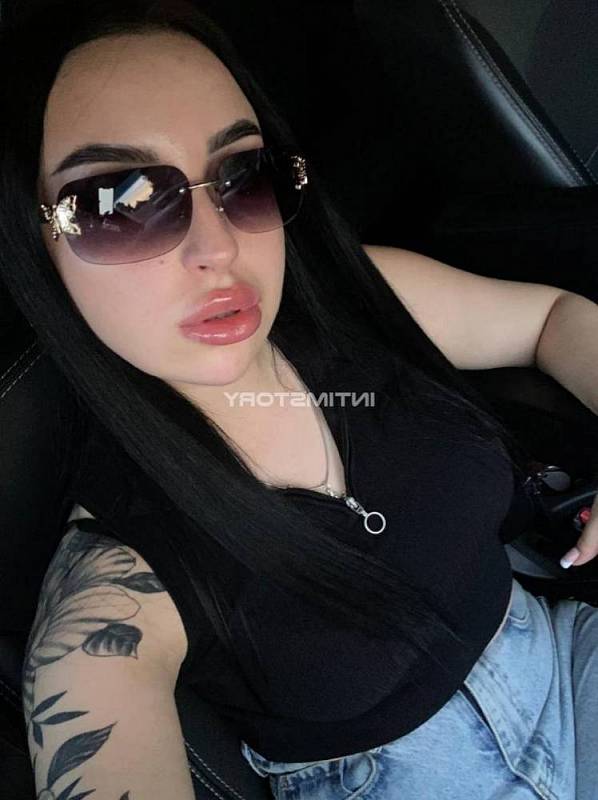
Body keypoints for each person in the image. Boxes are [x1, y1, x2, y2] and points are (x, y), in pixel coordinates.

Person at [1, 1, 598, 798]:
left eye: (240, 177)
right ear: (35, 240)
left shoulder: (357, 302)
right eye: (122, 203)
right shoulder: (113, 589)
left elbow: (555, 319)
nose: (218, 246)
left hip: (569, 658)